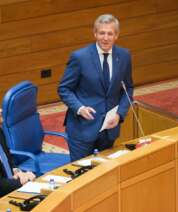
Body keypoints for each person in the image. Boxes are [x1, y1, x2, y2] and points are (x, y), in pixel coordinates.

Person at [58, 14, 134, 161]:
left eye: (110, 33)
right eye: (102, 33)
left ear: (116, 35)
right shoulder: (80, 57)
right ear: (95, 34)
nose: (105, 38)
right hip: (82, 128)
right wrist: (79, 108)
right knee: (81, 174)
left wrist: (120, 114)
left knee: (105, 172)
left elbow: (128, 88)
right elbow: (64, 89)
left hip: (109, 128)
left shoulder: (124, 56)